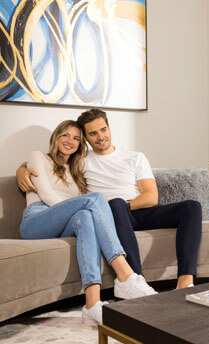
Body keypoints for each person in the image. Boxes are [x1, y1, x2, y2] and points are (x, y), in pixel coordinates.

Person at [17, 109, 202, 290]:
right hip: (110, 213)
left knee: (192, 207)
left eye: (103, 129)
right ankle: (135, 279)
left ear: (109, 128)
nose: (100, 137)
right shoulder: (80, 160)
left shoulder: (135, 157)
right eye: (93, 133)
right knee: (116, 203)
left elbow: (151, 197)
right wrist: (23, 169)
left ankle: (185, 281)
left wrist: (125, 205)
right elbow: (52, 163)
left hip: (137, 209)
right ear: (86, 139)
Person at [19, 120, 156, 326]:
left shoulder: (77, 170)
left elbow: (79, 209)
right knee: (95, 199)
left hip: (62, 223)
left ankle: (92, 305)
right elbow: (46, 194)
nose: (70, 141)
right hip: (36, 220)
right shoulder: (37, 157)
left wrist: (77, 207)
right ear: (56, 137)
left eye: (76, 138)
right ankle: (125, 274)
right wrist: (22, 169)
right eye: (65, 135)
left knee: (85, 216)